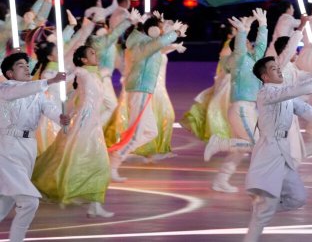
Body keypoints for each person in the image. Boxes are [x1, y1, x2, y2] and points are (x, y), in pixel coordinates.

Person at [244, 57, 312, 242]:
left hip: (284, 153)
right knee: (267, 207)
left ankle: (262, 208)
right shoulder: (265, 94)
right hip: (269, 153)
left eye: (278, 67)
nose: (279, 70)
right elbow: (289, 92)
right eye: (274, 69)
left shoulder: (284, 93)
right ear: (265, 77)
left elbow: (302, 107)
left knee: (298, 198)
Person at [32, 45, 114, 218]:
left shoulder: (95, 75)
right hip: (84, 124)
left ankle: (95, 205)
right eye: (92, 53)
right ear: (84, 60)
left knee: (98, 164)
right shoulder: (83, 72)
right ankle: (91, 203)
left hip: (92, 124)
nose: (96, 54)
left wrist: (69, 113)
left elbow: (77, 98)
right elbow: (69, 77)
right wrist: (58, 77)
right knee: (88, 162)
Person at [0, 52, 69, 242]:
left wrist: (60, 118)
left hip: (28, 148)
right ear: (10, 73)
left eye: (27, 64)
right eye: (21, 65)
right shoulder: (5, 88)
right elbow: (20, 92)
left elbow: (48, 108)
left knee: (6, 201)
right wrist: (50, 81)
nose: (27, 68)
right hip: (6, 148)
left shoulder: (37, 92)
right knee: (29, 201)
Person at [108, 16, 185, 181]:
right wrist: (175, 32)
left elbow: (159, 45)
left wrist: (173, 38)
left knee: (150, 131)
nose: (162, 30)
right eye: (160, 27)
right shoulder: (144, 45)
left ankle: (118, 153)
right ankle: (114, 161)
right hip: (140, 90)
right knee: (137, 133)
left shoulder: (143, 42)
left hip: (143, 90)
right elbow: (158, 43)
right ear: (153, 30)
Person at [204, 10, 268, 193]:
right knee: (258, 144)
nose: (250, 43)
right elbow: (239, 47)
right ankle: (221, 143)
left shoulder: (252, 60)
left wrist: (263, 25)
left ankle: (221, 180)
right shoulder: (238, 59)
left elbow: (261, 47)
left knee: (240, 150)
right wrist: (242, 32)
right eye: (248, 41)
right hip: (241, 108)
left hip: (246, 108)